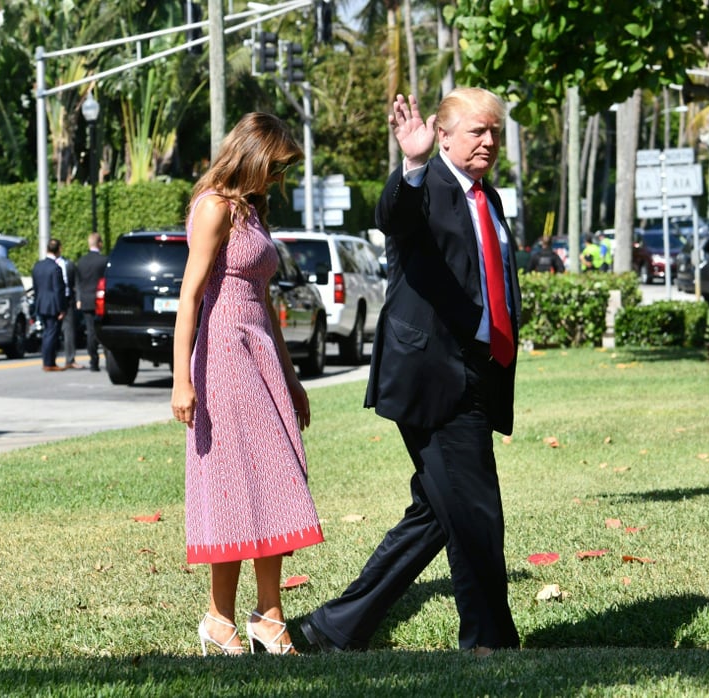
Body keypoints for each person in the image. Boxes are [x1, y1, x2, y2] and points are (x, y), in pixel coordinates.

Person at [301, 88, 521, 656]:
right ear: (443, 135)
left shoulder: (487, 196)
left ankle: (336, 628)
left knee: (436, 511)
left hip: (478, 371)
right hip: (433, 378)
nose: (489, 142)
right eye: (477, 131)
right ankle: (487, 642)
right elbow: (393, 214)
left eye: (495, 131)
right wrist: (415, 163)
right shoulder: (426, 187)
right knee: (475, 510)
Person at [170, 112, 323, 657]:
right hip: (224, 358)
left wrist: (293, 377)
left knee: (276, 476)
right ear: (253, 156)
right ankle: (220, 617)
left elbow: (263, 305)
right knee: (233, 483)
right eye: (275, 168)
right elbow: (190, 297)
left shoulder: (251, 211)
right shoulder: (214, 208)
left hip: (258, 354)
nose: (278, 180)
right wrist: (180, 379)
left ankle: (267, 614)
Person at [31, 238, 67, 372]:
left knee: (47, 332)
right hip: (52, 305)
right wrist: (61, 308)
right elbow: (58, 289)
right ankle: (49, 362)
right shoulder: (55, 268)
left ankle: (47, 360)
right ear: (58, 250)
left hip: (41, 303)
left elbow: (36, 287)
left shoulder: (37, 266)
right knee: (51, 333)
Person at [76, 232, 108, 372]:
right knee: (104, 330)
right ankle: (109, 360)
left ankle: (93, 361)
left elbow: (78, 282)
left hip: (86, 300)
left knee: (90, 331)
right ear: (99, 243)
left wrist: (79, 299)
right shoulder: (104, 260)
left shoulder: (81, 261)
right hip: (101, 299)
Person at [55, 246, 81, 369]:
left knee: (69, 331)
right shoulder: (47, 265)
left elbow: (77, 282)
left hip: (68, 300)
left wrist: (78, 299)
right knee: (52, 331)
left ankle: (70, 359)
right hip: (53, 302)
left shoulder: (69, 264)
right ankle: (50, 359)